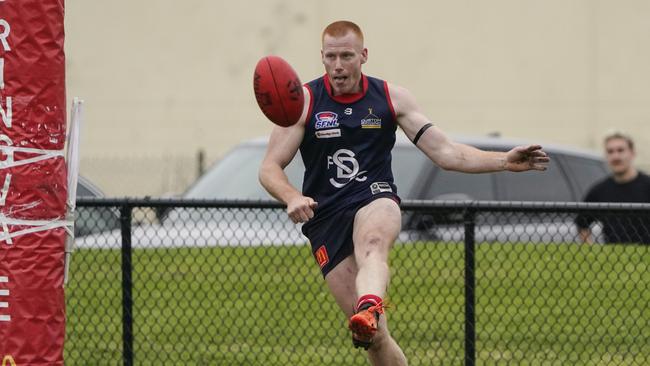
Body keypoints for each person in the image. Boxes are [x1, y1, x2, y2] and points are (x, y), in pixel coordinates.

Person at [258, 20, 549, 365]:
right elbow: (268, 168)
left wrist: (504, 160)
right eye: (331, 57)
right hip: (326, 217)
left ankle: (369, 306)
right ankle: (368, 317)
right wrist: (292, 196)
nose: (338, 66)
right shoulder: (303, 101)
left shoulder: (390, 98)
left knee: (372, 246)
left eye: (347, 56)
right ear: (321, 57)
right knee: (375, 340)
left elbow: (446, 153)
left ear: (363, 56)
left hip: (374, 196)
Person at [576, 132, 650, 244]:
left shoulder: (647, 185)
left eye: (620, 150)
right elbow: (582, 224)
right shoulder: (599, 190)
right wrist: (591, 253)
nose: (615, 156)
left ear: (632, 153)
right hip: (613, 259)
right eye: (610, 151)